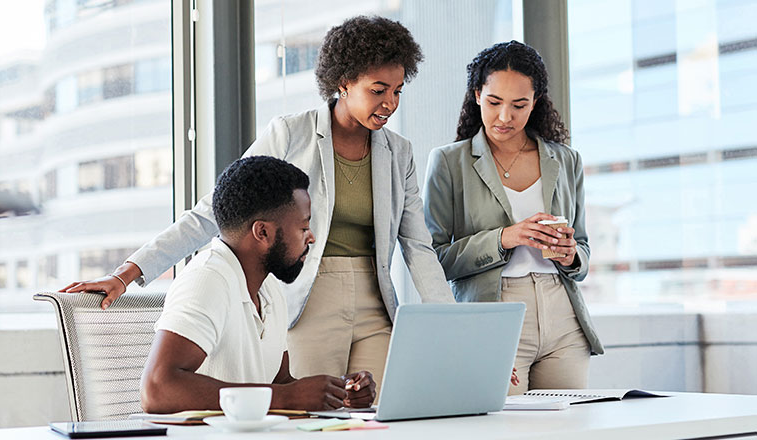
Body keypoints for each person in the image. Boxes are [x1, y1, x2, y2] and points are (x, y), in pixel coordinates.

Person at [62, 16, 454, 394]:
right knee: (311, 417)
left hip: (376, 304)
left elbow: (417, 246)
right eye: (378, 89)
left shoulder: (398, 152)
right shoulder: (291, 133)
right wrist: (128, 273)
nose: (390, 103)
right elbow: (219, 208)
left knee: (375, 417)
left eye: (398, 91)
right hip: (306, 298)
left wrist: (452, 327)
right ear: (345, 82)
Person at [423, 41, 604, 395]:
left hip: (563, 316)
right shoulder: (448, 162)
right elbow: (433, 260)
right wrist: (506, 237)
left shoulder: (566, 160)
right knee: (503, 427)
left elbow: (582, 249)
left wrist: (571, 255)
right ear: (477, 95)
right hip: (495, 313)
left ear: (535, 102)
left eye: (519, 105)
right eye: (494, 102)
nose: (505, 117)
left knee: (567, 429)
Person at [141, 156, 376, 413]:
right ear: (262, 232)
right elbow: (156, 389)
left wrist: (338, 394)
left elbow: (280, 384)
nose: (311, 237)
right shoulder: (207, 279)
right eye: (303, 226)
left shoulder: (269, 288)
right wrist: (287, 397)